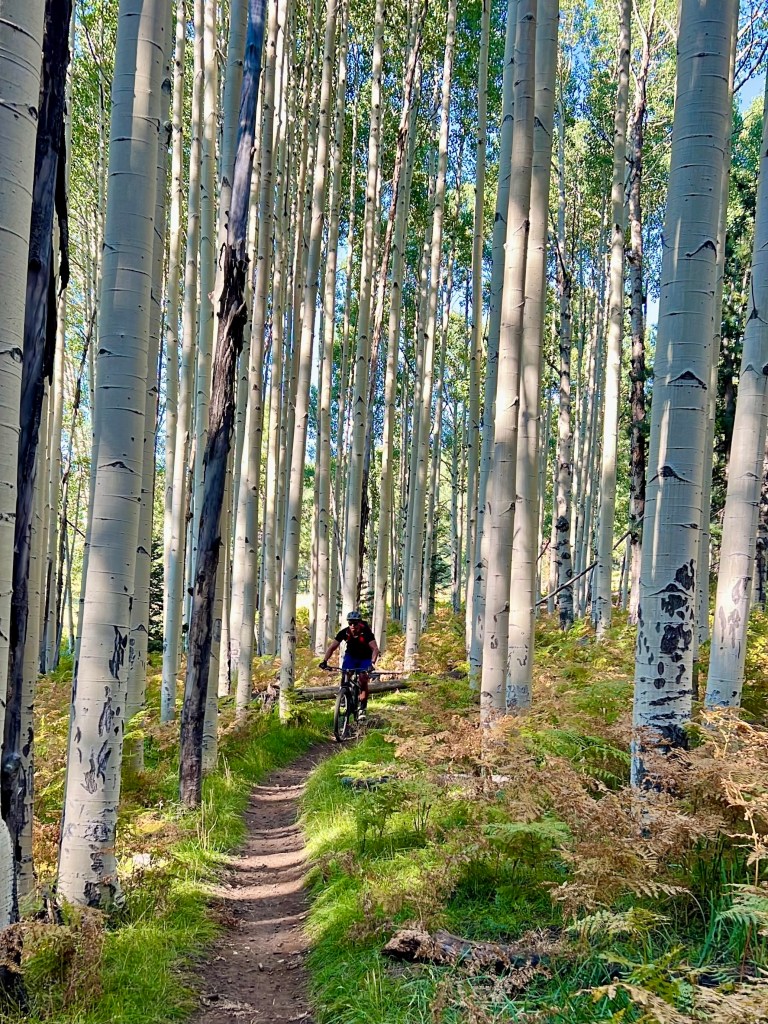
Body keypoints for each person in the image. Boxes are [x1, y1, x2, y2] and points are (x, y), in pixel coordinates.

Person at [319, 611, 380, 720]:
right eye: (350, 623)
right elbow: (332, 647)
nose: (352, 626)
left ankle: (362, 707)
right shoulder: (344, 632)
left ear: (359, 623)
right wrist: (324, 661)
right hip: (350, 657)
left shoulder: (366, 633)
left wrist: (372, 663)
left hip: (365, 658)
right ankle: (343, 695)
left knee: (363, 679)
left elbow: (375, 649)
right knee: (345, 674)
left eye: (355, 623)